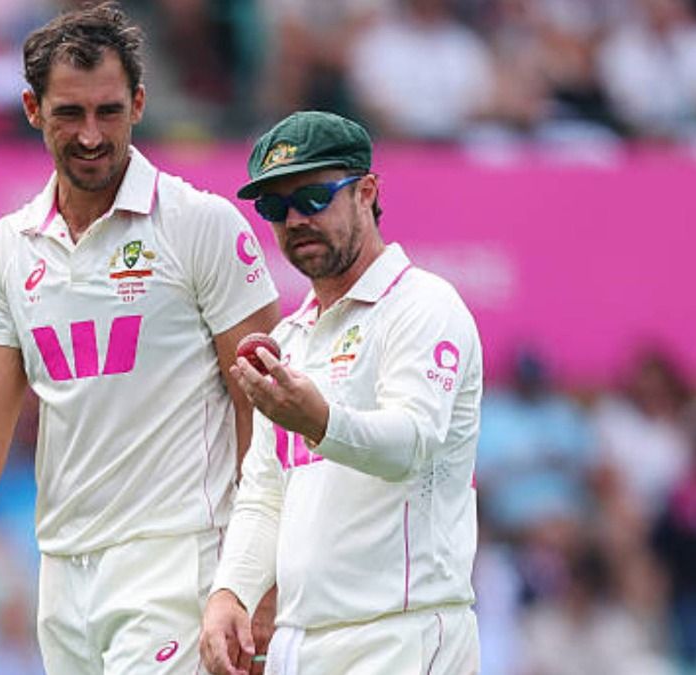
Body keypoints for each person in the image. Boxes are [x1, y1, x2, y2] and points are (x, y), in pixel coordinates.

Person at [0, 3, 281, 674]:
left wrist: (254, 571)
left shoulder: (200, 225)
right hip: (65, 570)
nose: (92, 135)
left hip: (180, 556)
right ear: (33, 109)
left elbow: (267, 411)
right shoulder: (12, 245)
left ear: (139, 104)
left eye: (109, 111)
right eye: (70, 113)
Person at [199, 111, 484, 675]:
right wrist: (230, 593)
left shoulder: (423, 305)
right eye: (276, 209)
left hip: (403, 634)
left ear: (366, 192)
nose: (295, 219)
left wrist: (319, 420)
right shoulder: (290, 338)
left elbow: (411, 443)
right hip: (299, 644)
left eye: (312, 196)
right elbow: (264, 494)